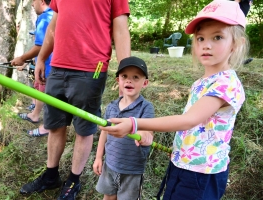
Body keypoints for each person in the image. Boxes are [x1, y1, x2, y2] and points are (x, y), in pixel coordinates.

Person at [99, 1, 249, 199]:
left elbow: (189, 120)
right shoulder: (202, 82)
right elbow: (195, 128)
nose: (206, 45)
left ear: (236, 45)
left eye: (218, 37)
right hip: (182, 163)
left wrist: (134, 124)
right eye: (201, 38)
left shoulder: (226, 84)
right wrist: (180, 149)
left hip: (202, 173)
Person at [19, 0, 131, 199]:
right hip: (58, 66)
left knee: (84, 128)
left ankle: (73, 180)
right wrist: (42, 58)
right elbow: (54, 23)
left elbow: (121, 30)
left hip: (91, 69)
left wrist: (126, 73)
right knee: (54, 124)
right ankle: (51, 175)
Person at [93, 56, 154, 200]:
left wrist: (145, 136)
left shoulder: (146, 108)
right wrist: (98, 158)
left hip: (132, 169)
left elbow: (148, 132)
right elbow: (104, 133)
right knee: (108, 196)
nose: (129, 80)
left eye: (136, 77)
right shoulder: (112, 106)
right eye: (124, 76)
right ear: (118, 81)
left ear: (145, 83)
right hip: (110, 164)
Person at [11, 0, 53, 137]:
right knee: (42, 91)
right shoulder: (53, 15)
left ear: (41, 1)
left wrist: (22, 58)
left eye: (33, 1)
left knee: (43, 93)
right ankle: (36, 115)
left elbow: (40, 46)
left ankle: (42, 121)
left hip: (48, 66)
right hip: (49, 65)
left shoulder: (45, 17)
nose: (32, 5)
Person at [233, 0, 253, 64]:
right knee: (237, 39)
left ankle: (239, 59)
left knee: (239, 39)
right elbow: (234, 3)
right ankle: (237, 60)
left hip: (239, 19)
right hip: (235, 20)